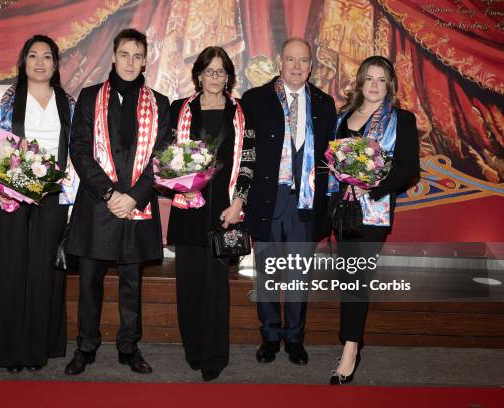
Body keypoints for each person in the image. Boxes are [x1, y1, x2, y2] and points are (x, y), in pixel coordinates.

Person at [63, 28, 170, 376]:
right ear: (113, 56)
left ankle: (129, 347)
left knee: (131, 283)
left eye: (137, 55)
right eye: (125, 54)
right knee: (90, 283)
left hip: (137, 205)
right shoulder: (91, 96)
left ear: (145, 60)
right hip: (98, 205)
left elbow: (164, 157)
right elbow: (78, 149)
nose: (130, 61)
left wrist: (134, 197)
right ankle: (85, 346)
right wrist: (110, 194)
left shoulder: (159, 103)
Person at [0, 34, 76, 372]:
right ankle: (8, 351)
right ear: (23, 61)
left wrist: (69, 200)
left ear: (56, 64)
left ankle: (37, 350)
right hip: (8, 199)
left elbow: (75, 154)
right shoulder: (2, 97)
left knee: (44, 274)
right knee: (10, 270)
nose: (40, 62)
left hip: (52, 199)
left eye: (47, 56)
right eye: (33, 56)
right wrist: (1, 183)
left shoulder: (68, 103)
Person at [242, 38, 337, 366]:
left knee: (298, 276)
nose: (296, 67)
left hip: (305, 204)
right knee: (267, 274)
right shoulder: (255, 100)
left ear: (311, 66)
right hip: (268, 199)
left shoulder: (324, 104)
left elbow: (329, 160)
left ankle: (294, 338)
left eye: (303, 61)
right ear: (279, 62)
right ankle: (269, 336)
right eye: (290, 60)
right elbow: (246, 153)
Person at [328, 55, 419, 385]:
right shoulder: (343, 118)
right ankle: (352, 341)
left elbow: (409, 170)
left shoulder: (402, 120)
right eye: (370, 78)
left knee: (356, 278)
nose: (375, 85)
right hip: (344, 210)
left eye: (382, 79)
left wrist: (374, 186)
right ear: (360, 82)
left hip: (373, 211)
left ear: (390, 84)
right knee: (347, 278)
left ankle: (350, 350)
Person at [167, 46, 255, 382]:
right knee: (188, 285)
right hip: (188, 206)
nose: (215, 77)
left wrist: (239, 202)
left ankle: (214, 355)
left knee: (217, 287)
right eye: (209, 71)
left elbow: (249, 160)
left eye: (221, 72)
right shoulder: (180, 110)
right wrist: (177, 183)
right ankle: (193, 348)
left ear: (229, 76)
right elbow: (168, 156)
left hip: (225, 209)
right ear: (199, 75)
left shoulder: (242, 114)